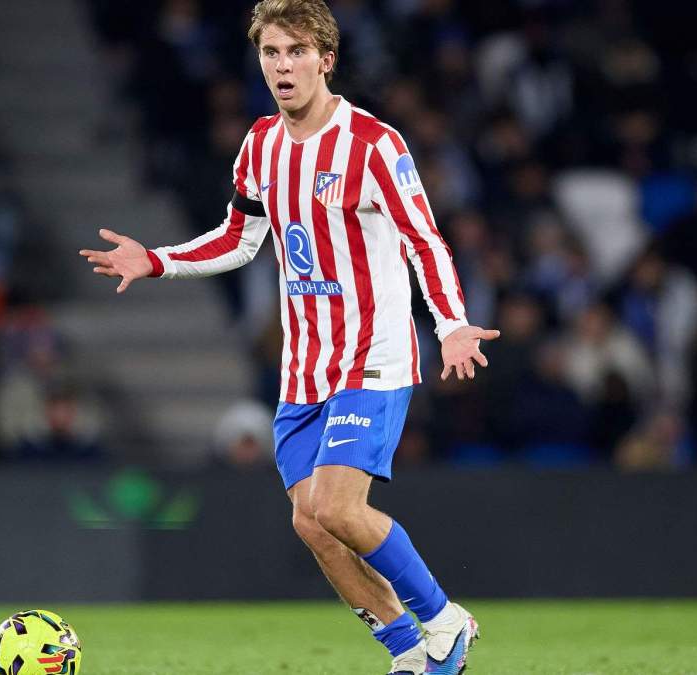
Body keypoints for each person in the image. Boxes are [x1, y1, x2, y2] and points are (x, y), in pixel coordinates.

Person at [79, 2, 498, 673]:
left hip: (372, 357)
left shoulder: (373, 144)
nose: (283, 66)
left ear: (326, 59)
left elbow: (424, 239)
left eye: (297, 52)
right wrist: (154, 258)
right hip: (304, 369)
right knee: (311, 522)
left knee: (338, 505)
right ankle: (410, 652)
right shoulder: (260, 145)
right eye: (271, 53)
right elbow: (240, 239)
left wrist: (450, 325)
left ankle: (446, 622)